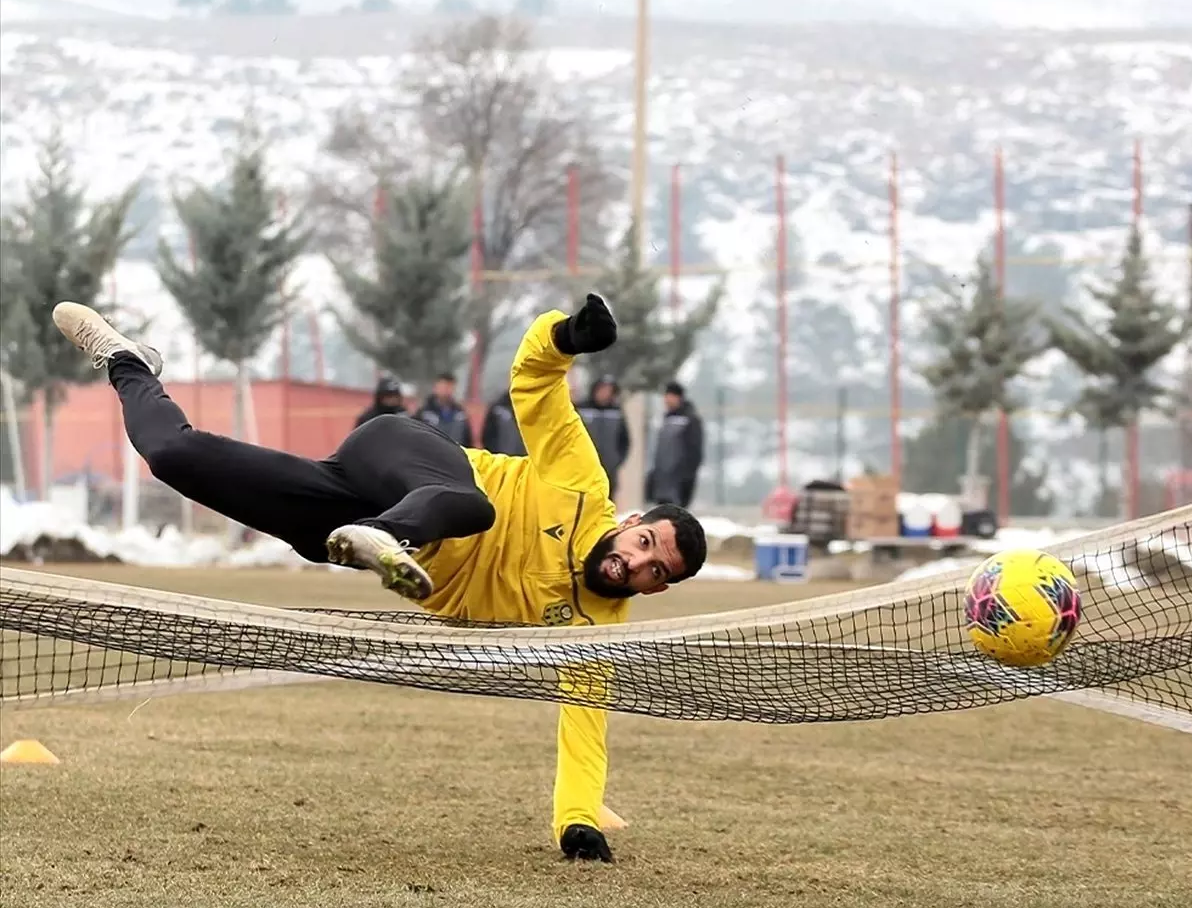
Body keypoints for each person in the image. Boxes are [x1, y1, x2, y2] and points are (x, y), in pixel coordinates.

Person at [51, 295, 707, 864]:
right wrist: (566, 335)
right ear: (630, 520)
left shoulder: (594, 635)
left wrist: (579, 825)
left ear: (658, 589)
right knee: (473, 506)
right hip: (406, 460)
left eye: (655, 571)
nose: (637, 563)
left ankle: (127, 363)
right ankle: (389, 540)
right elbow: (535, 382)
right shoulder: (582, 485)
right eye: (644, 543)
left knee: (175, 456)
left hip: (352, 510)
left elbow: (584, 728)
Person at [646, 382, 704, 508]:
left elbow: (695, 450)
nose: (667, 400)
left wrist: (687, 475)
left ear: (679, 397)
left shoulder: (690, 419)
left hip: (679, 480)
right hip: (662, 477)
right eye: (666, 396)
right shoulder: (666, 418)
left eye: (670, 396)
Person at [576, 374, 630, 501]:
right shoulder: (582, 408)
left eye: (609, 390)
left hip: (608, 471)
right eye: (602, 389)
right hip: (583, 469)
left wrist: (616, 461)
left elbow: (625, 441)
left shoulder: (617, 412)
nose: (605, 393)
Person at [418, 372, 473, 447]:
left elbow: (467, 440)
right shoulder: (424, 413)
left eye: (450, 387)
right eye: (444, 387)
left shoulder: (460, 414)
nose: (447, 391)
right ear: (435, 388)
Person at [480, 391, 525, 457]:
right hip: (502, 460)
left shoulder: (530, 407)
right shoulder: (498, 408)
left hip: (525, 462)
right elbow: (487, 436)